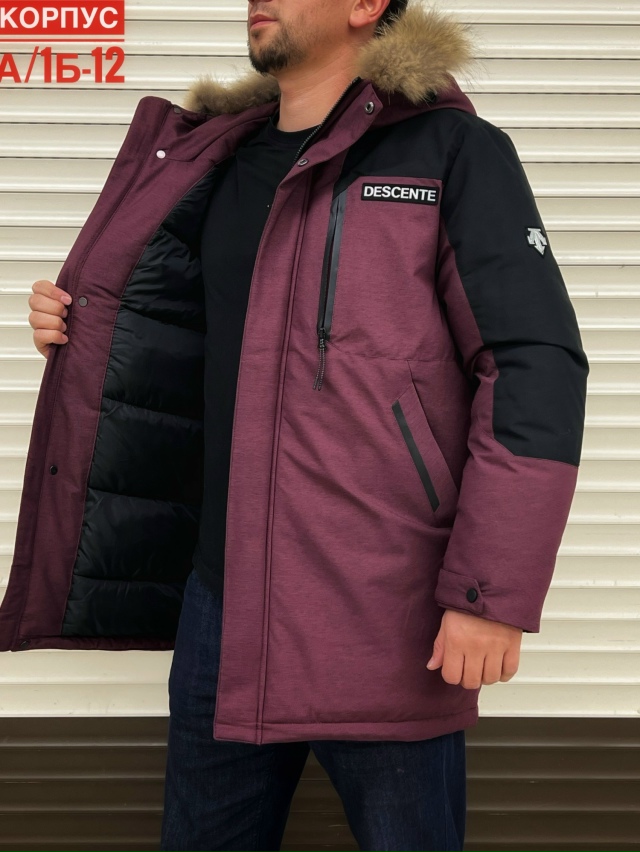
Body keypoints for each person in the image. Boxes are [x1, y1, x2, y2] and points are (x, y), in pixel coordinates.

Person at [2, 0, 589, 849]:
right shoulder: (210, 157)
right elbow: (186, 342)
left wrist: (489, 596)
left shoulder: (451, 152)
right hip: (221, 611)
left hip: (386, 617)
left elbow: (534, 366)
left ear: (366, 5)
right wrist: (86, 328)